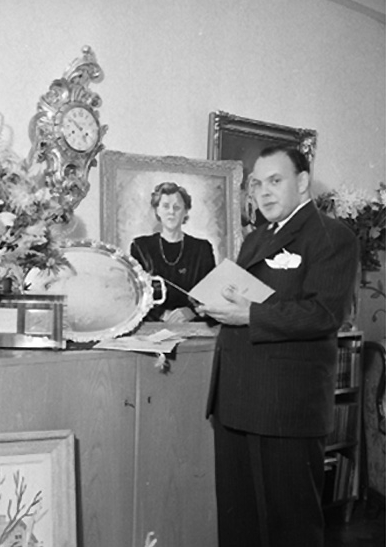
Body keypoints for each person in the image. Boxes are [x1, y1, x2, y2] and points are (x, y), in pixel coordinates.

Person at [197, 146, 358, 547]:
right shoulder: (255, 238)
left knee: (291, 529)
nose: (263, 192)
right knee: (239, 526)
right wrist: (210, 306)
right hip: (235, 402)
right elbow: (243, 301)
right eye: (257, 184)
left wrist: (249, 314)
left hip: (285, 409)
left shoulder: (331, 236)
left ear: (302, 182)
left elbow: (324, 313)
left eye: (275, 180)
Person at [130, 181, 216, 323]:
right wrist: (163, 314)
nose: (171, 212)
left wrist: (192, 311)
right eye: (165, 206)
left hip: (193, 326)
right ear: (157, 210)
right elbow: (135, 294)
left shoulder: (202, 248)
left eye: (177, 207)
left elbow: (211, 293)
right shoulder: (141, 246)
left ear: (185, 211)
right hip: (153, 326)